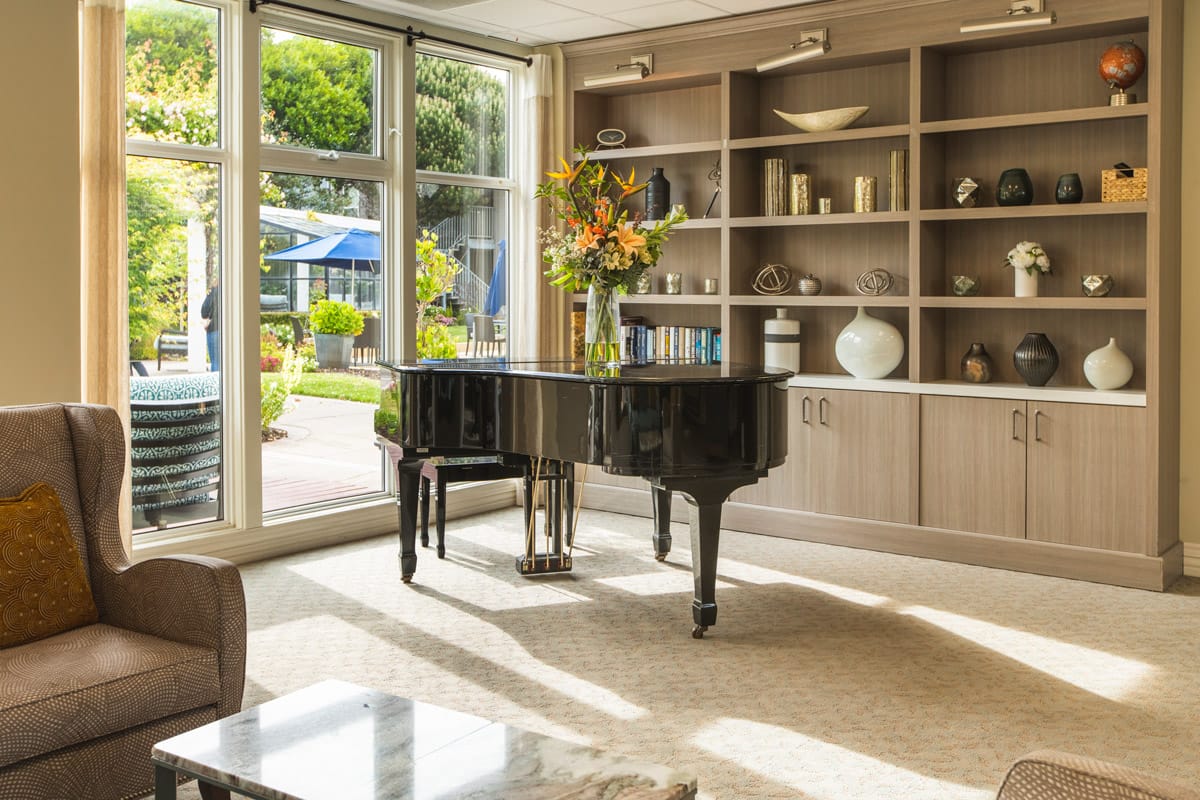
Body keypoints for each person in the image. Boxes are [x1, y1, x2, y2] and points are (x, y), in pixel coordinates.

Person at [201, 283, 219, 372]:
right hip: (233, 332)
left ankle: (217, 385)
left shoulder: (214, 290)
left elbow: (204, 311)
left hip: (215, 329)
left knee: (216, 362)